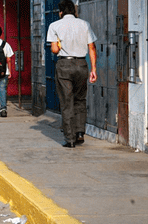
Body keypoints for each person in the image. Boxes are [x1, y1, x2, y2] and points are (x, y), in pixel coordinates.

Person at [47, 0, 97, 148]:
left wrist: (57, 44)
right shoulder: (84, 24)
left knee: (66, 102)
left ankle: (70, 139)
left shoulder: (54, 26)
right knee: (80, 100)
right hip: (81, 64)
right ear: (74, 11)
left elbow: (55, 50)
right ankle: (80, 132)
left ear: (60, 12)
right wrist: (93, 69)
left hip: (64, 65)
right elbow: (92, 48)